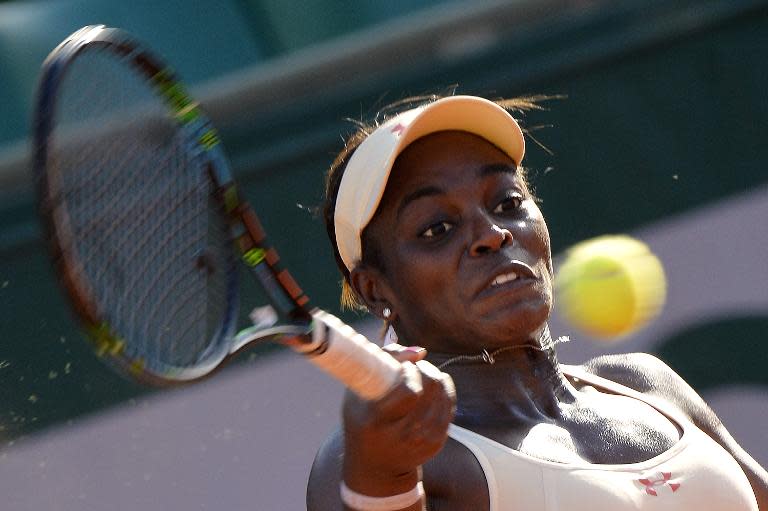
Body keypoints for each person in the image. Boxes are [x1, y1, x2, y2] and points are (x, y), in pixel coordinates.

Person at [306, 94, 768, 510]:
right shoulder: (373, 460)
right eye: (436, 229)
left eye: (507, 202)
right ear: (375, 290)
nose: (491, 234)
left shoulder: (647, 384)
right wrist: (382, 476)